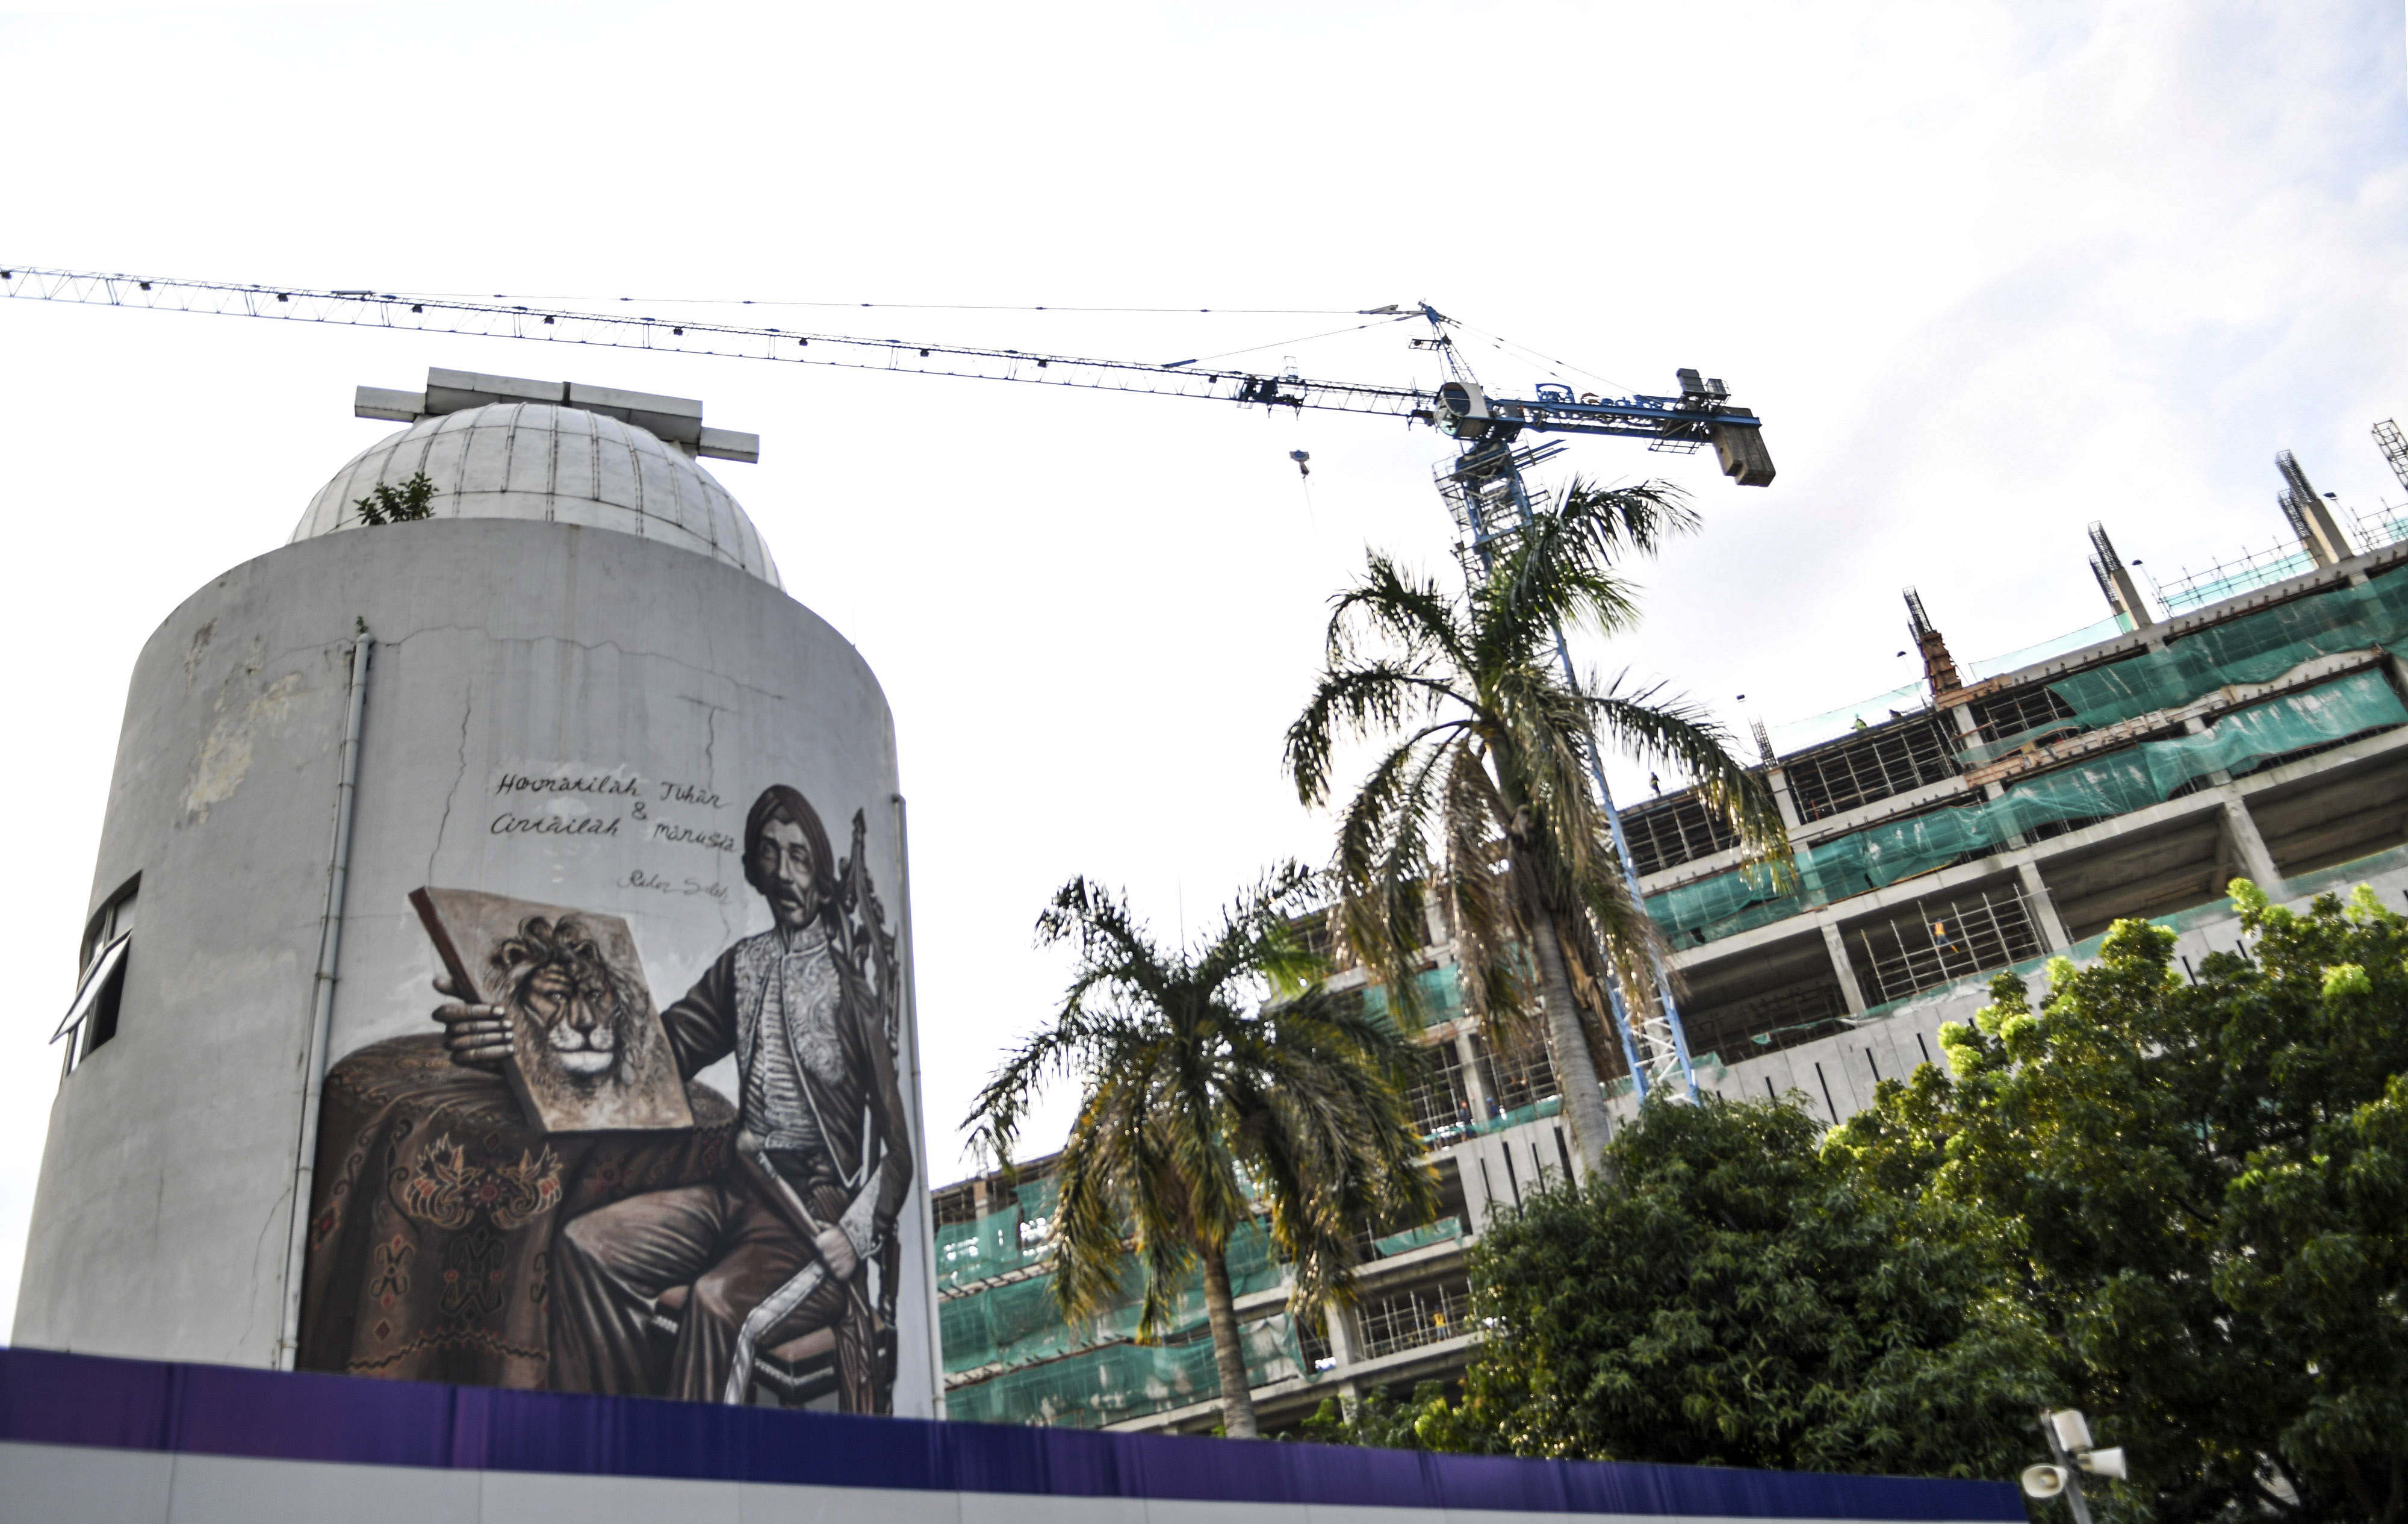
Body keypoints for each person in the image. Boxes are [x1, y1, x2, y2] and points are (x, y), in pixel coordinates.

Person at [435, 785, 914, 1409]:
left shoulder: (854, 995)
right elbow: (656, 1054)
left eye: (799, 856)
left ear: (820, 870)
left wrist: (853, 1235)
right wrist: (516, 1031)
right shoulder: (741, 966)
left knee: (717, 1305)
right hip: (738, 1189)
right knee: (586, 1246)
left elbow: (898, 1153)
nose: (784, 873)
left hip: (810, 1221)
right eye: (769, 854)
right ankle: (612, 1442)